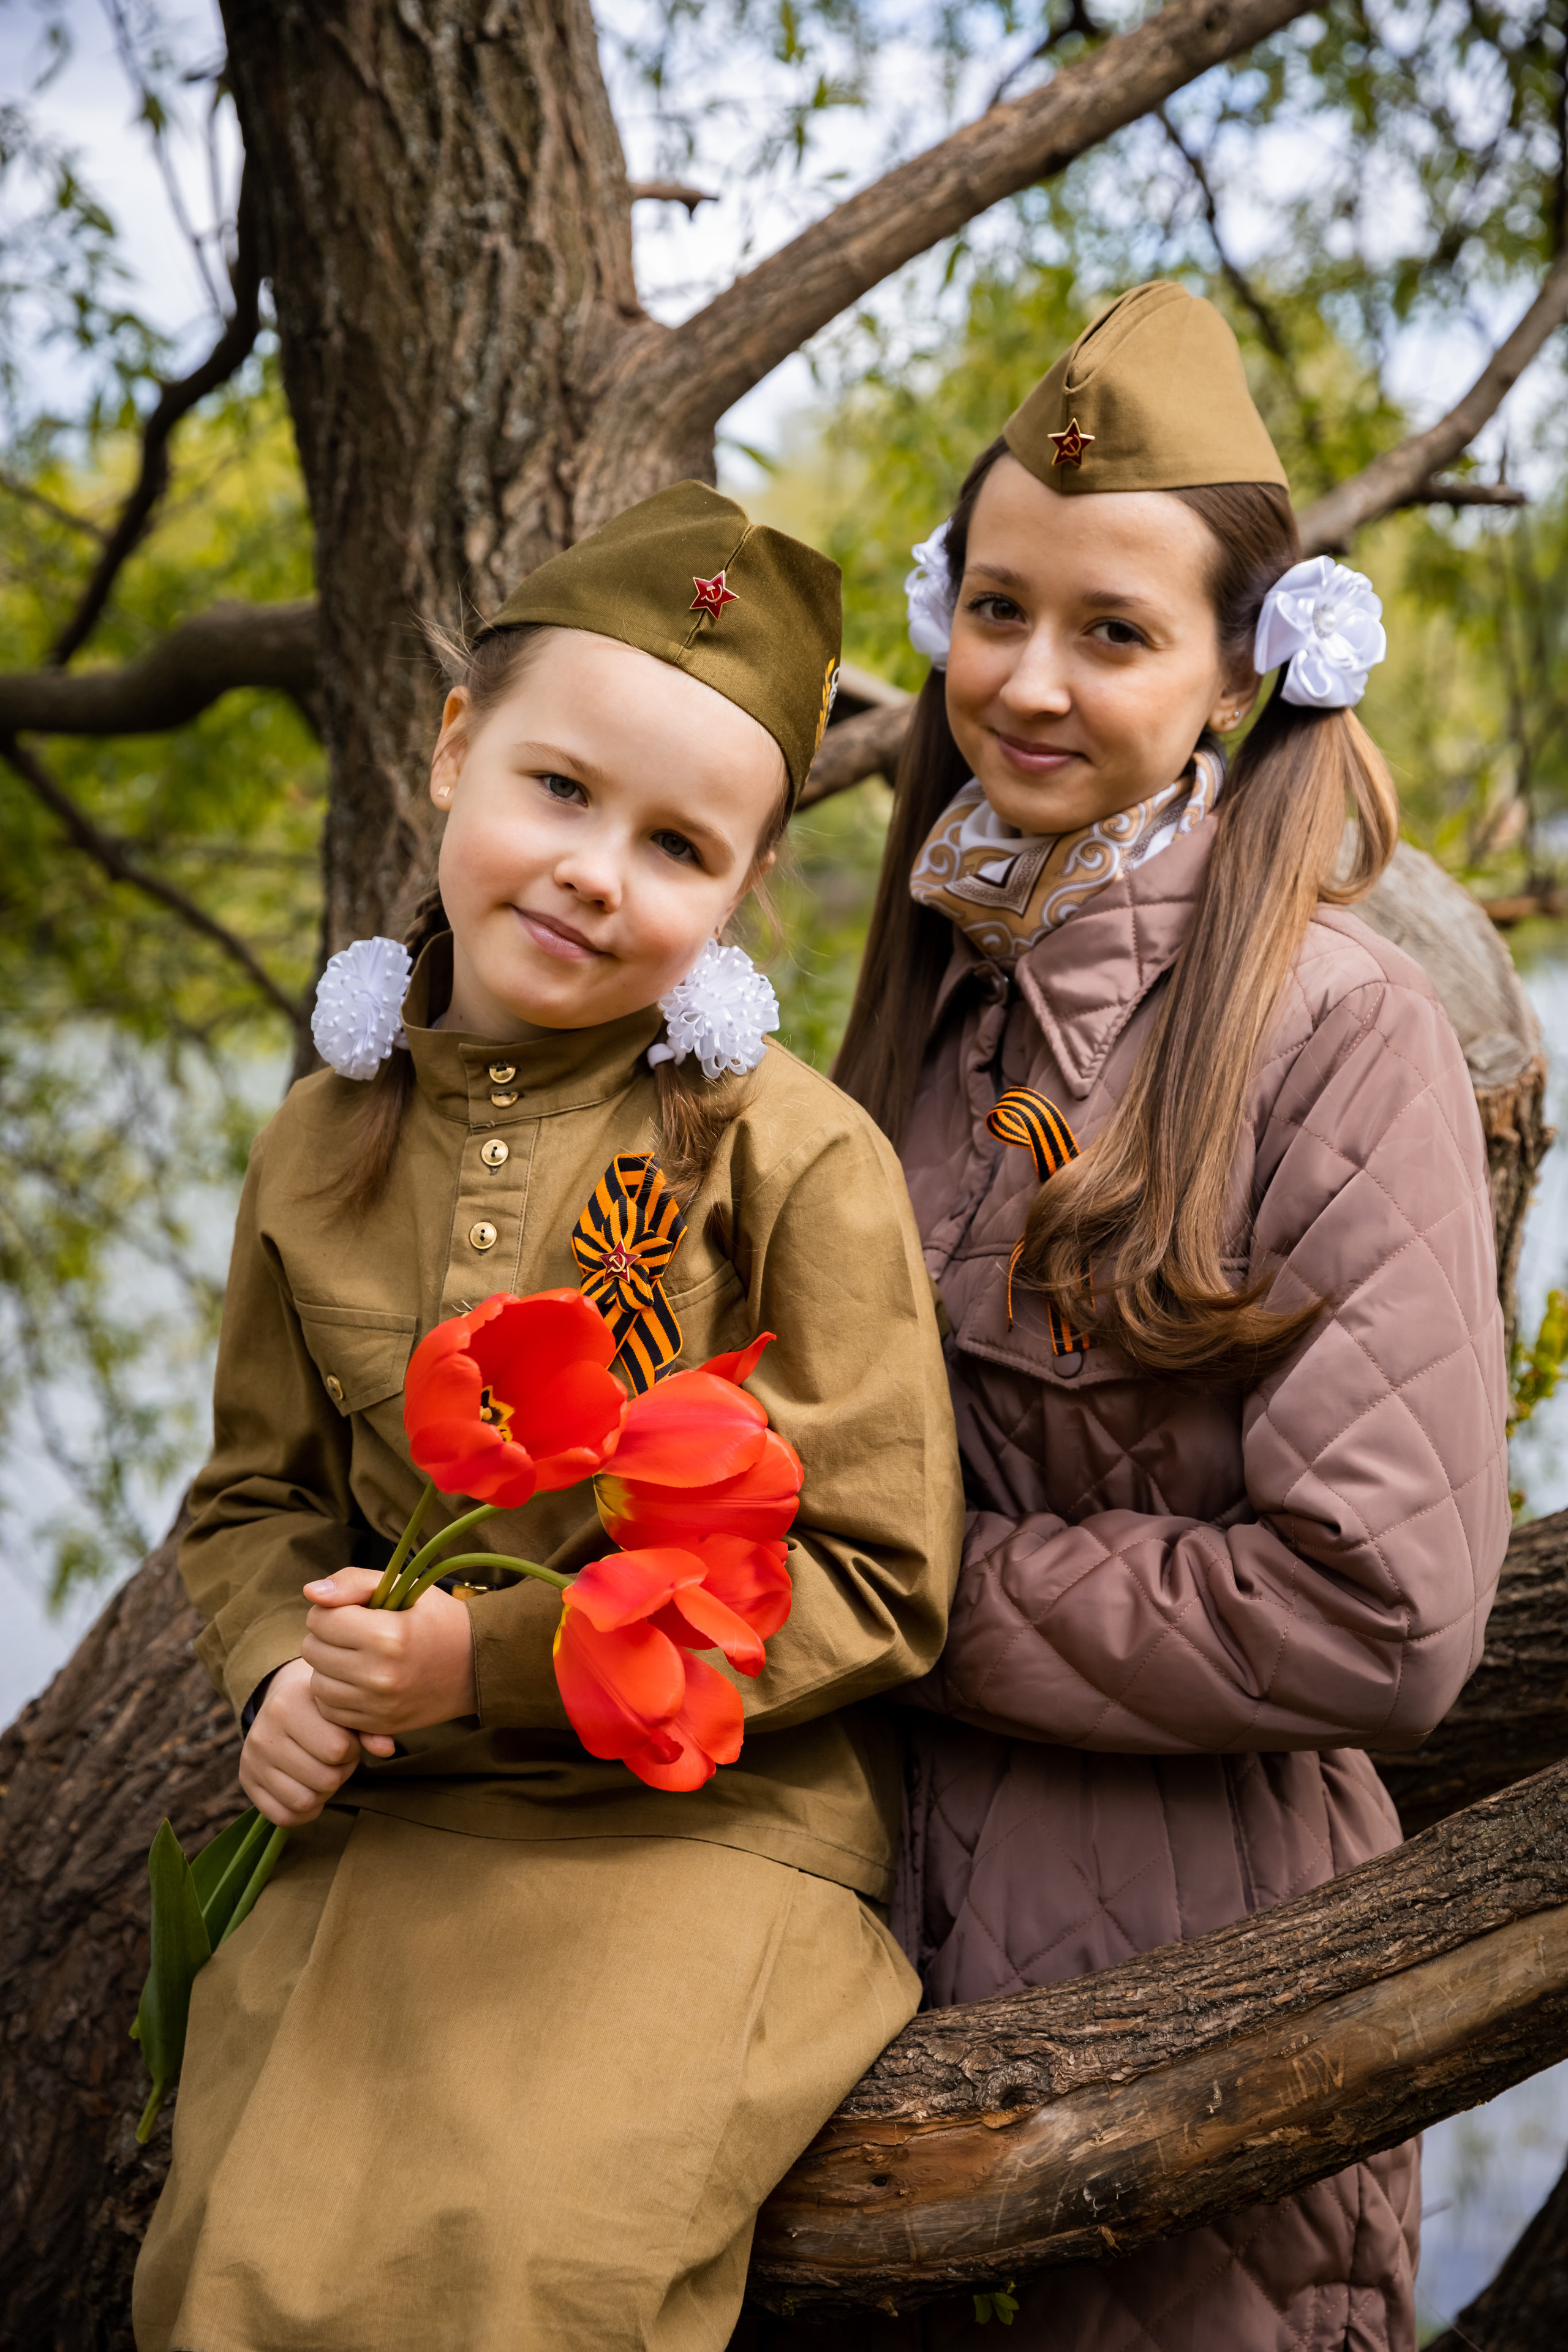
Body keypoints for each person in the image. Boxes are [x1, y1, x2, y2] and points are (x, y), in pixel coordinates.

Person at [132, 480, 963, 2352]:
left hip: (700, 1841)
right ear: (454, 750)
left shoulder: (792, 1156)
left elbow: (882, 1573)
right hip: (402, 1823)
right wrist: (281, 1683)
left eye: (676, 844)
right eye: (560, 790)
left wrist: (487, 1663)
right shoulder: (317, 1143)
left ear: (747, 884)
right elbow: (256, 1498)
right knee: (230, 2280)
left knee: (527, 2277)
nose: (596, 871)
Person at [830, 282, 1510, 2350]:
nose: (1028, 682)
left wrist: (906, 1594)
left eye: (1114, 632)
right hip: (871, 1945)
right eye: (996, 610)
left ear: (1235, 670)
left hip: (1197, 1994)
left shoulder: (1337, 1032)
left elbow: (1383, 1610)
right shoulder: (932, 984)